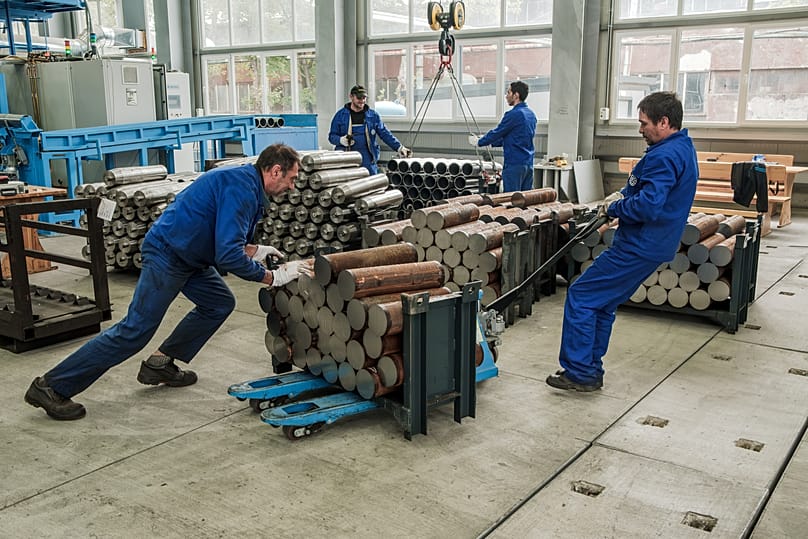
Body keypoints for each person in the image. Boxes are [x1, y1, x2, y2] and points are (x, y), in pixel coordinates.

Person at [25, 143, 310, 420]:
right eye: (292, 179)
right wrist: (272, 277)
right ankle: (51, 386)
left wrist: (257, 251)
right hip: (168, 253)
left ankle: (159, 364)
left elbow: (224, 238)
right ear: (275, 171)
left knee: (219, 303)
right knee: (134, 330)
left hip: (191, 255)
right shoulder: (242, 189)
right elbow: (227, 256)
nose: (293, 186)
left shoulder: (245, 184)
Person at [546, 91, 698, 392]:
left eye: (644, 123)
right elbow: (649, 193)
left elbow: (649, 205)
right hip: (654, 244)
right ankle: (589, 368)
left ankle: (579, 372)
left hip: (640, 244)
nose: (640, 129)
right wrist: (625, 196)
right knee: (603, 303)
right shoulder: (681, 147)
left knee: (581, 295)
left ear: (663, 122)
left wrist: (615, 207)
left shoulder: (664, 156)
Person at [469, 81, 537, 192]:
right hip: (528, 164)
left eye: (508, 92)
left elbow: (498, 132)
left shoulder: (514, 114)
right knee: (525, 200)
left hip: (514, 165)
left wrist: (480, 142)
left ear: (516, 95)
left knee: (512, 199)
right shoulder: (531, 115)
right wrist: (490, 141)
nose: (506, 96)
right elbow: (514, 137)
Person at [328, 84, 411, 174]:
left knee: (371, 185)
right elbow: (332, 136)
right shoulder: (340, 116)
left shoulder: (373, 116)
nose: (362, 101)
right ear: (351, 97)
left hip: (367, 159)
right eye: (359, 98)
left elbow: (385, 133)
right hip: (346, 160)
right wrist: (340, 140)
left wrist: (399, 147)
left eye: (364, 98)